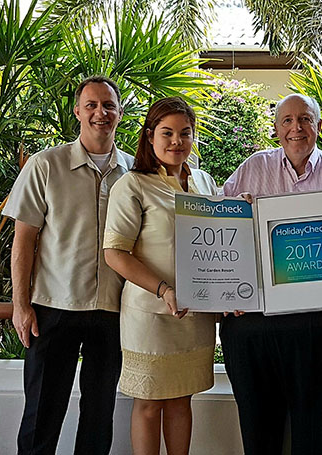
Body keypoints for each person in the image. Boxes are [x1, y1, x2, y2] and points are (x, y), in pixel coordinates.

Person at [221, 93, 322, 455]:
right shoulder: (252, 169)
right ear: (275, 129)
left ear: (317, 125)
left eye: (304, 119)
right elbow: (222, 231)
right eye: (287, 120)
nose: (296, 128)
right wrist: (227, 292)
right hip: (257, 325)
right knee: (258, 433)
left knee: (312, 434)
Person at [4, 75, 134, 454]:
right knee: (42, 414)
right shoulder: (46, 165)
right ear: (77, 111)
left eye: (108, 105)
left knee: (99, 417)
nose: (100, 113)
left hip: (113, 310)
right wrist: (20, 304)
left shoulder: (134, 171)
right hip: (53, 308)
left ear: (120, 113)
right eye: (91, 105)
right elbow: (23, 239)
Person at [103, 97, 217, 455]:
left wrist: (239, 208)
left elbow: (222, 239)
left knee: (183, 399)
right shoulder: (132, 184)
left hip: (195, 314)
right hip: (151, 315)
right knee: (150, 403)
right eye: (167, 132)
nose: (176, 141)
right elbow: (115, 253)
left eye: (185, 133)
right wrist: (164, 289)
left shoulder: (204, 181)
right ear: (150, 136)